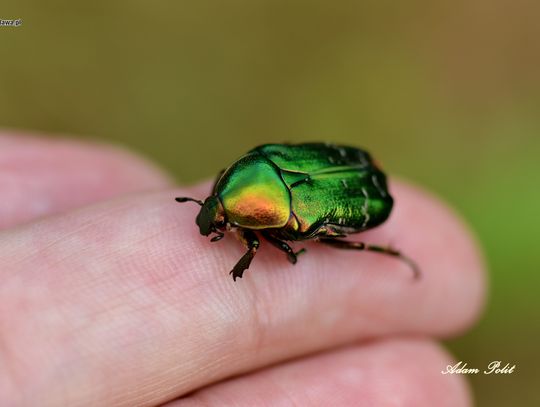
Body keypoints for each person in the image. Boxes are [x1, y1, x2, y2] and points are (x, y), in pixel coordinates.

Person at [0, 132, 486, 406]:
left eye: (222, 213)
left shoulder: (267, 211)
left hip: (352, 191)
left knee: (330, 246)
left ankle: (385, 255)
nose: (216, 217)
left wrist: (252, 256)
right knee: (297, 247)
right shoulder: (248, 171)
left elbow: (268, 243)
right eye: (219, 209)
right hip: (319, 171)